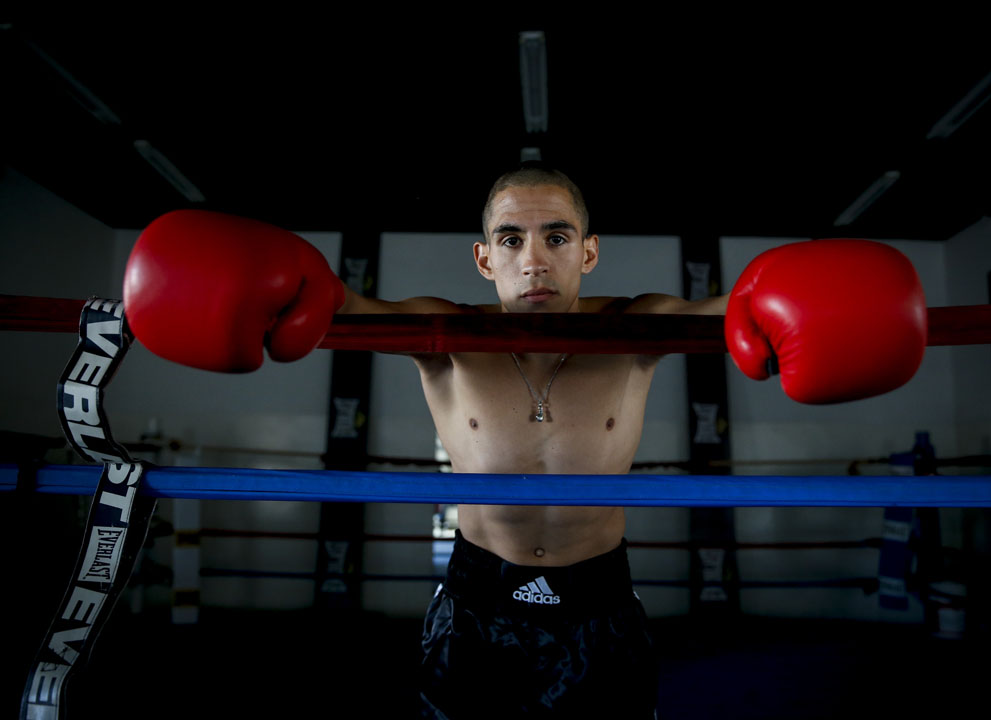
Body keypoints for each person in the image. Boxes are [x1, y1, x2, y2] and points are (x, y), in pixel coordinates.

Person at [123, 163, 926, 718]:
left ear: (588, 249)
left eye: (555, 235)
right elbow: (331, 302)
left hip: (599, 606)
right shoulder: (442, 331)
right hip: (474, 606)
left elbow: (744, 306)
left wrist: (793, 293)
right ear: (484, 257)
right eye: (511, 239)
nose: (533, 258)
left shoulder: (636, 326)